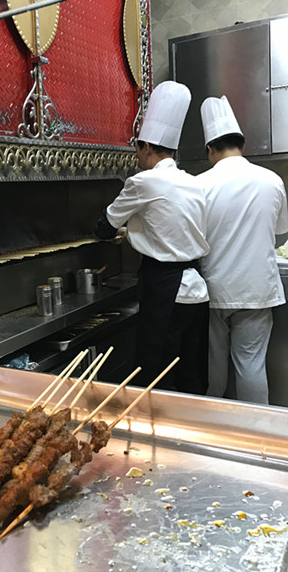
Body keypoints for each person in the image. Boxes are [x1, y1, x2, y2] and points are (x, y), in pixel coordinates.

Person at [95, 81, 209, 394]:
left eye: (137, 149)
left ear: (145, 147)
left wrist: (120, 231)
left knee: (156, 371)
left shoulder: (143, 182)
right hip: (197, 288)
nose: (137, 157)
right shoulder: (193, 182)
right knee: (190, 369)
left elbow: (105, 226)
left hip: (165, 286)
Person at [197, 95, 288, 404]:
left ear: (210, 149)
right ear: (242, 144)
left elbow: (192, 238)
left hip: (214, 290)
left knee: (213, 368)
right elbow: (279, 232)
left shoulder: (200, 185)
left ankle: (212, 425)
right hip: (256, 290)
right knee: (251, 365)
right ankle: (257, 428)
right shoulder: (271, 181)